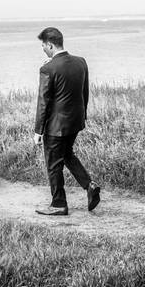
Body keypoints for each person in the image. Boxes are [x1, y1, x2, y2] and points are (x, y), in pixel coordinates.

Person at [32, 27, 101, 216]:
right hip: (75, 121)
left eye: (44, 46)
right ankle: (90, 185)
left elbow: (43, 101)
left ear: (50, 45)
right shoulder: (80, 62)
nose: (43, 49)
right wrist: (83, 115)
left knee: (53, 164)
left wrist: (39, 130)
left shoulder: (47, 68)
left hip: (56, 125)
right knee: (67, 154)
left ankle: (58, 204)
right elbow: (84, 92)